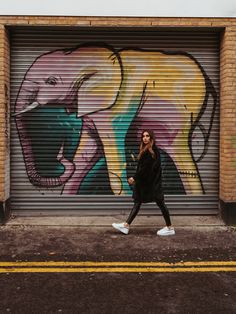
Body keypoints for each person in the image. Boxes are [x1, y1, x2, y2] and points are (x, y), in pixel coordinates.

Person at [112, 129, 175, 236]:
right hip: (147, 183)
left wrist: (134, 178)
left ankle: (169, 228)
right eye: (143, 136)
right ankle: (126, 225)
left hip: (152, 184)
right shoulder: (146, 149)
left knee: (161, 204)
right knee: (138, 202)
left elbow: (146, 169)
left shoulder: (152, 151)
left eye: (147, 136)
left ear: (151, 138)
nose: (145, 138)